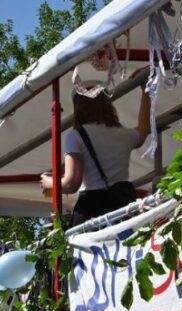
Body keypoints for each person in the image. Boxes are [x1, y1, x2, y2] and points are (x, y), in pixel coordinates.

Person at [40, 86, 151, 228]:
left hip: (92, 212)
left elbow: (71, 183)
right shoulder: (124, 134)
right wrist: (146, 92)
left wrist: (48, 182)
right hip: (122, 207)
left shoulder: (76, 136)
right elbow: (143, 130)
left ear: (78, 107)